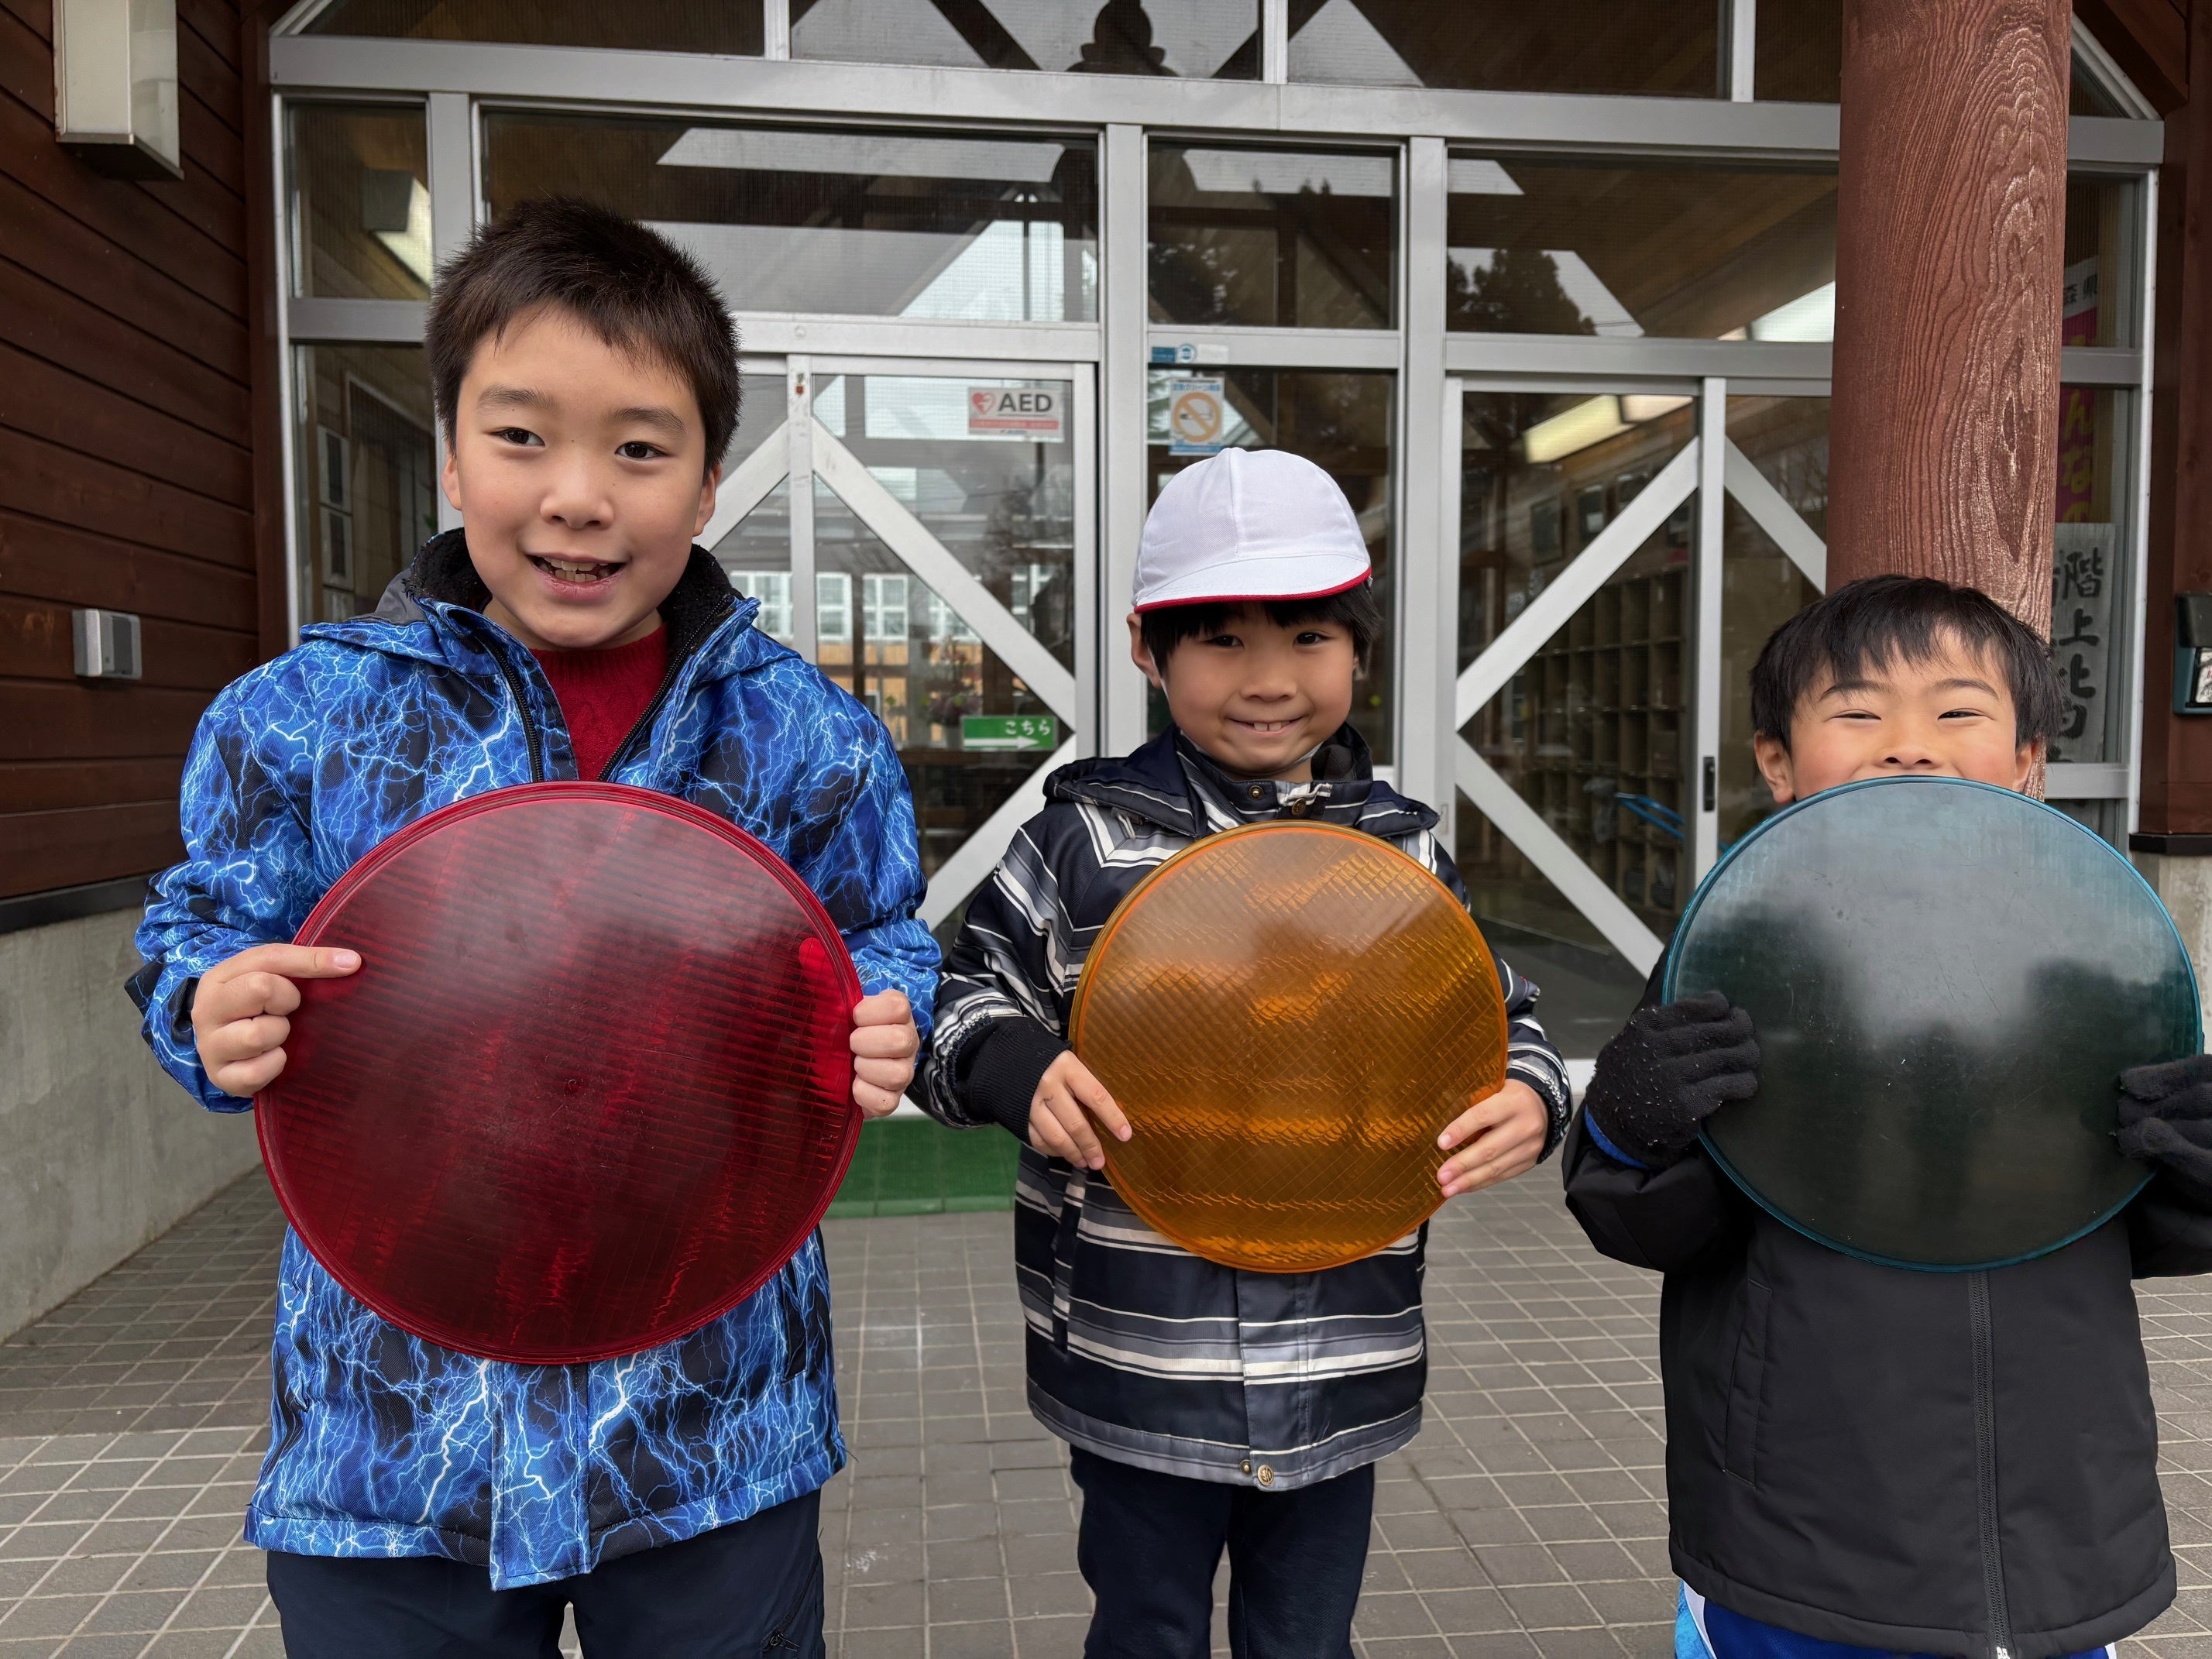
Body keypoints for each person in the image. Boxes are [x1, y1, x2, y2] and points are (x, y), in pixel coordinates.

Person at [128, 198, 936, 1657]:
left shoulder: (804, 737)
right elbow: (197, 925)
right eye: (520, 437)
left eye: (640, 448)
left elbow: (880, 928)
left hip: (709, 1424)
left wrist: (887, 1009)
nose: (578, 496)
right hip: (395, 1439)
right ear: (450, 455)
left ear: (708, 482)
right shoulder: (301, 719)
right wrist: (207, 1000)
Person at [916, 446, 1571, 1658]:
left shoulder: (1404, 856)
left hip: (1346, 1347)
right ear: (1147, 649)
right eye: (1221, 639)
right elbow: (957, 1004)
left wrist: (1531, 1093)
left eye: (1309, 637)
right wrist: (1014, 1064)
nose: (1269, 679)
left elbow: (1496, 1017)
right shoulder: (1082, 843)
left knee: (1307, 1638)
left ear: (1360, 648)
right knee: (1148, 1627)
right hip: (1141, 1352)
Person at [1564, 574, 2212, 1659]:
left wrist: (2198, 1169)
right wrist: (1628, 1129)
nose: (1909, 746)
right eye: (1858, 712)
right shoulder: (1734, 950)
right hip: (1801, 1529)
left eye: (1958, 711)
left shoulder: (2099, 955)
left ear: (2028, 759)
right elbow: (1653, 1222)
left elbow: (2138, 1220)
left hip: (2057, 1520)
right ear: (1778, 761)